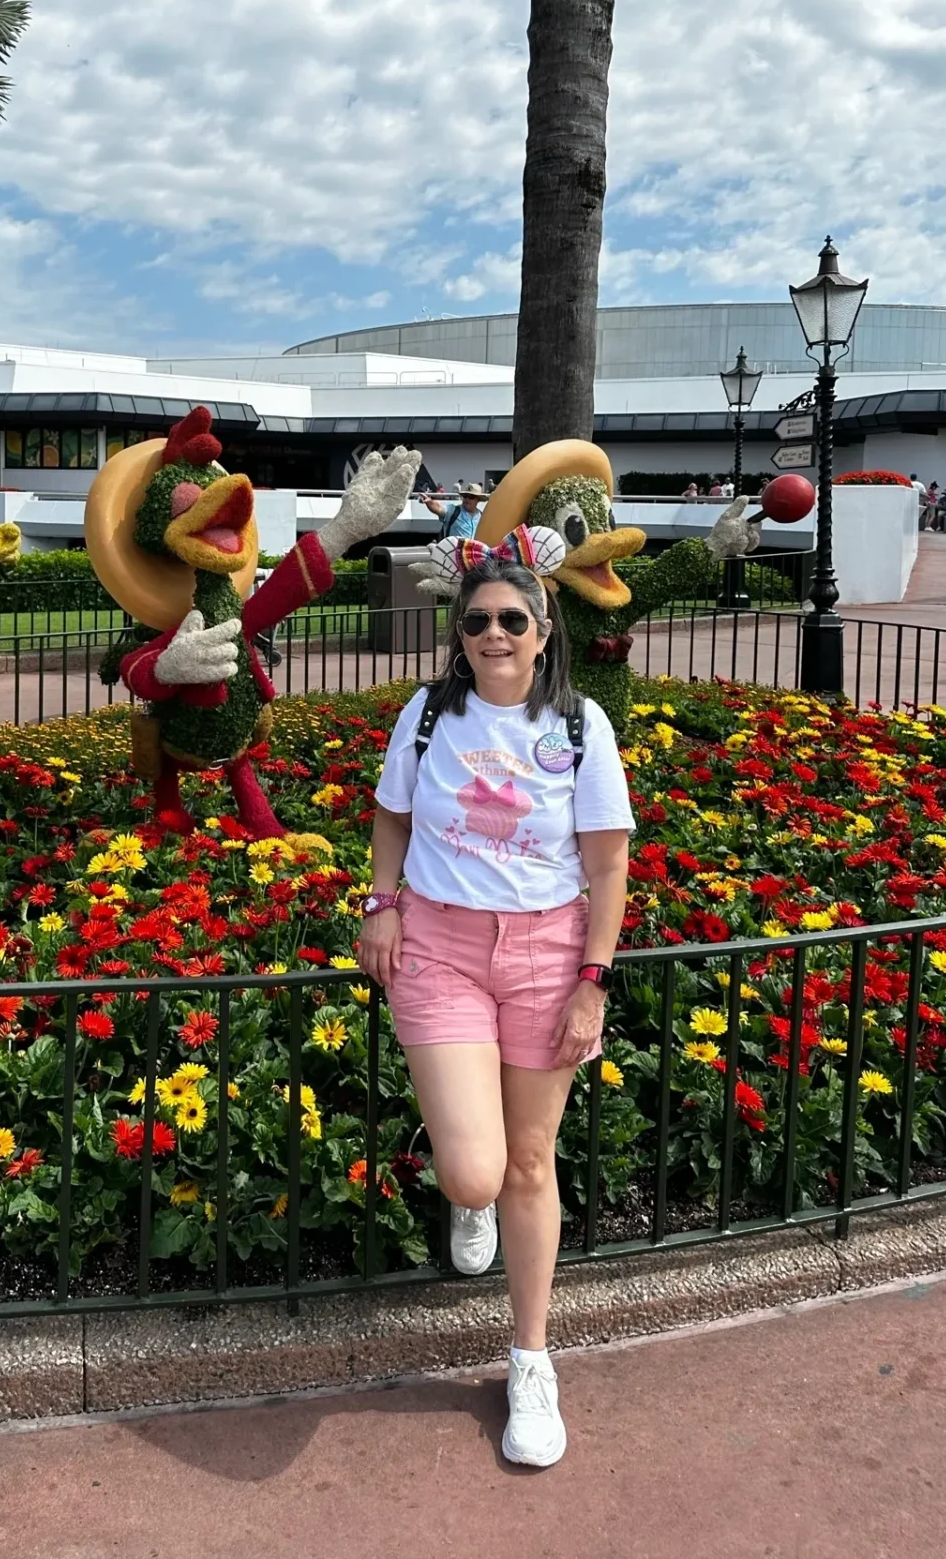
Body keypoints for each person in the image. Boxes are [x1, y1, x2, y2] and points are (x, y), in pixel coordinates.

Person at [356, 551, 633, 1468]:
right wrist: (380, 905)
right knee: (475, 1174)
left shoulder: (580, 726)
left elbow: (605, 865)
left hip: (548, 954)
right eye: (478, 621)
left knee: (527, 1160)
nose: (495, 635)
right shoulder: (430, 714)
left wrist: (593, 978)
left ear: (544, 632)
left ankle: (530, 1360)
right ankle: (466, 1205)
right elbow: (392, 818)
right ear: (460, 635)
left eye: (514, 620)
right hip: (440, 945)